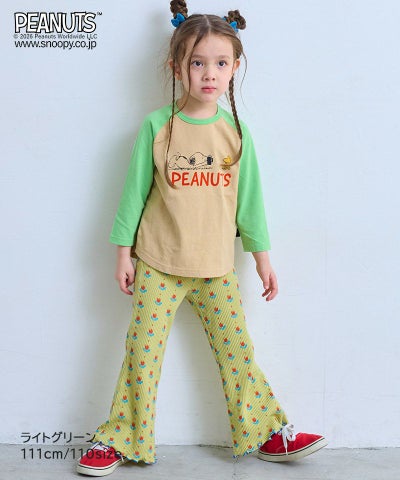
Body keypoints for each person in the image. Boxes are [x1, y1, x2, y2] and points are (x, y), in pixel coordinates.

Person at [77, 1, 327, 476]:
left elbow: (250, 204)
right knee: (141, 355)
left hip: (215, 268)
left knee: (238, 353)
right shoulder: (157, 127)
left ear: (235, 68)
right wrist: (123, 254)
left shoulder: (236, 134)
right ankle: (120, 438)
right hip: (158, 264)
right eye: (197, 62)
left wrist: (263, 259)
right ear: (177, 67)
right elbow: (133, 196)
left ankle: (267, 432)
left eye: (220, 63)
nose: (209, 73)